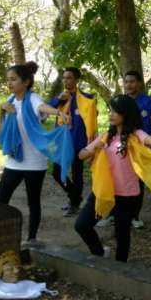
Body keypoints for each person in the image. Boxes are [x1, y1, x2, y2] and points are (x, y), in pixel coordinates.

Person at [74, 95, 151, 262]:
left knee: (122, 234)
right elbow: (81, 154)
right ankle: (99, 252)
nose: (111, 114)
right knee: (82, 225)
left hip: (127, 194)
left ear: (126, 114)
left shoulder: (136, 135)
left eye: (115, 111)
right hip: (103, 190)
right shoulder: (106, 136)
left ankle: (121, 269)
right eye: (110, 111)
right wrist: (93, 150)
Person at [0, 62, 74, 244]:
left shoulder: (32, 98)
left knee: (33, 202)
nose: (10, 83)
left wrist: (58, 113)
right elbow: (4, 127)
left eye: (13, 79)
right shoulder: (10, 100)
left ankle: (31, 238)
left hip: (34, 162)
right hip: (14, 161)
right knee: (0, 201)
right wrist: (3, 109)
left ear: (26, 82)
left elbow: (42, 107)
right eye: (8, 80)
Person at [110, 70, 151, 229]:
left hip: (144, 146)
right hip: (124, 144)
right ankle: (113, 213)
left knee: (138, 180)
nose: (129, 85)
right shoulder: (120, 100)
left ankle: (134, 216)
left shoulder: (147, 101)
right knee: (117, 177)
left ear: (139, 83)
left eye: (132, 81)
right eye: (126, 82)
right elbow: (113, 122)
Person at [48, 67, 97, 217]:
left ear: (76, 80)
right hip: (62, 142)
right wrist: (59, 100)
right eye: (64, 78)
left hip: (78, 142)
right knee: (56, 172)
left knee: (77, 173)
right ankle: (75, 196)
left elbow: (92, 120)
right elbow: (46, 109)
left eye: (69, 78)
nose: (65, 80)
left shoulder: (86, 99)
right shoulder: (61, 98)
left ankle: (74, 204)